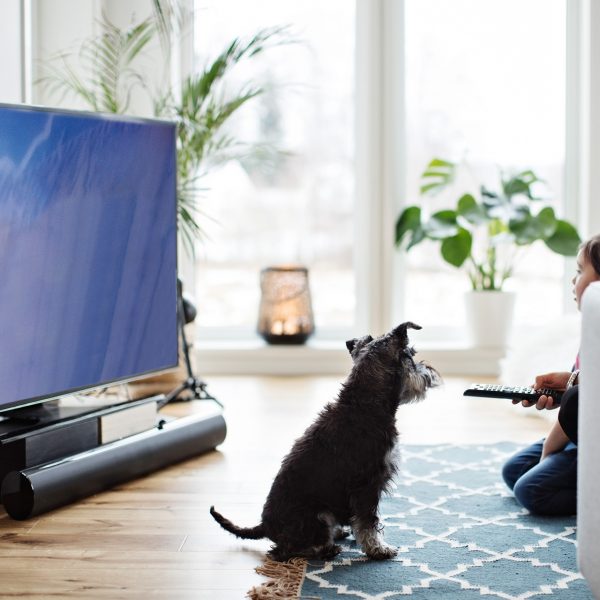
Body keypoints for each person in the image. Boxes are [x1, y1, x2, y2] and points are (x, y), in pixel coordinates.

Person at [502, 234, 600, 515]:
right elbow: (577, 390)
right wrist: (563, 391)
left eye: (581, 271)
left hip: (591, 443)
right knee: (513, 471)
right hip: (578, 437)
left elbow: (581, 400)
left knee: (530, 490)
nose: (573, 280)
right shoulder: (591, 328)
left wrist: (548, 453)